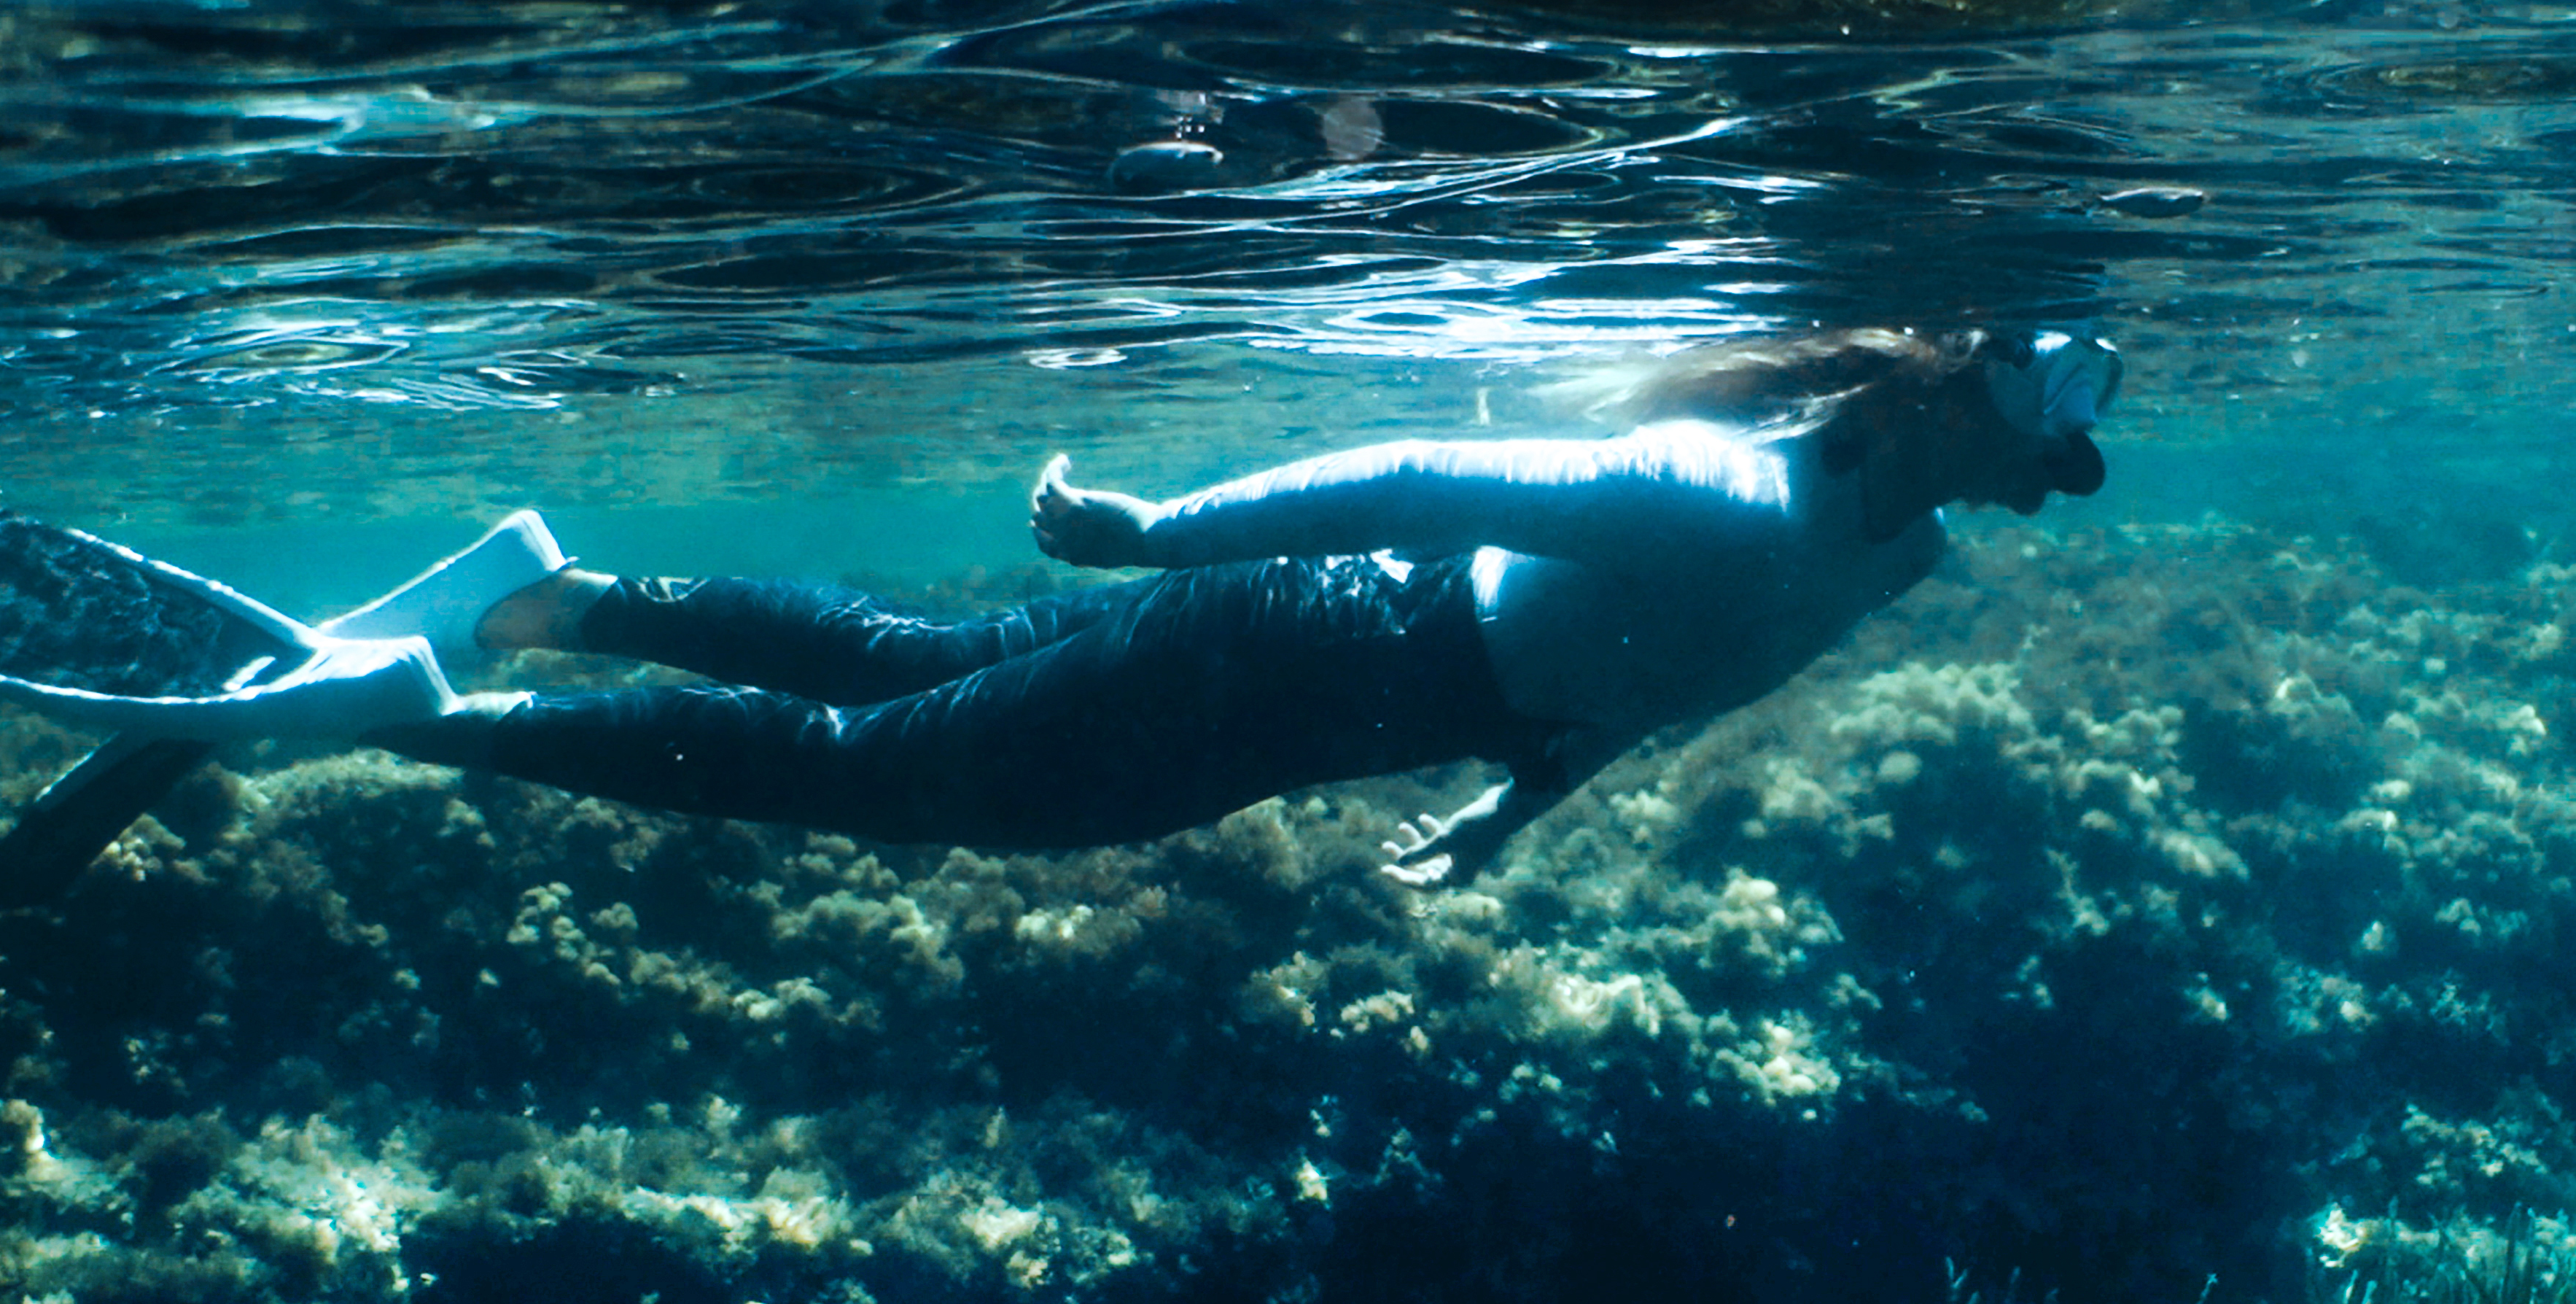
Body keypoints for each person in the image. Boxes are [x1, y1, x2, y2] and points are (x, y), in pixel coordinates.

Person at [400, 324, 2117, 886]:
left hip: (1346, 681)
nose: (2039, 485)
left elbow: (1703, 669)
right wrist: (1159, 539)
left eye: (2055, 467)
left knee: (916, 676)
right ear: (1947, 399)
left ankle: (566, 605)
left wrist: (1528, 800)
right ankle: (439, 719)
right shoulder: (1727, 490)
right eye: (2032, 447)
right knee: (884, 771)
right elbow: (1414, 478)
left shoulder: (1901, 551)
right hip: (1308, 645)